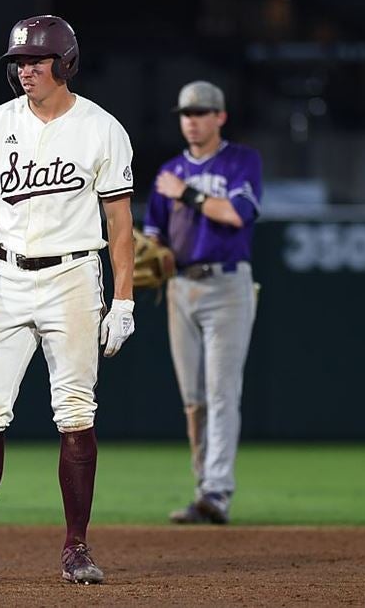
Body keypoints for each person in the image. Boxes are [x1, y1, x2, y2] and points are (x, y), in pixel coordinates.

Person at [0, 15, 136, 585]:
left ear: (65, 64)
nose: (25, 71)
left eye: (37, 60)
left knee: (74, 410)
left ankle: (76, 547)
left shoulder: (101, 128)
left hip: (72, 278)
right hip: (7, 279)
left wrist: (124, 300)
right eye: (18, 62)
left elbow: (120, 221)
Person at [142, 80, 262, 525]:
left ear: (220, 117)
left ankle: (217, 492)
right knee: (193, 398)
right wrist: (153, 250)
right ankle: (203, 492)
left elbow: (236, 214)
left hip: (227, 287)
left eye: (200, 113)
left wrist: (187, 193)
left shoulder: (241, 160)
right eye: (186, 114)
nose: (191, 121)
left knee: (220, 392)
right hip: (180, 287)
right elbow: (153, 231)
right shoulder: (169, 170)